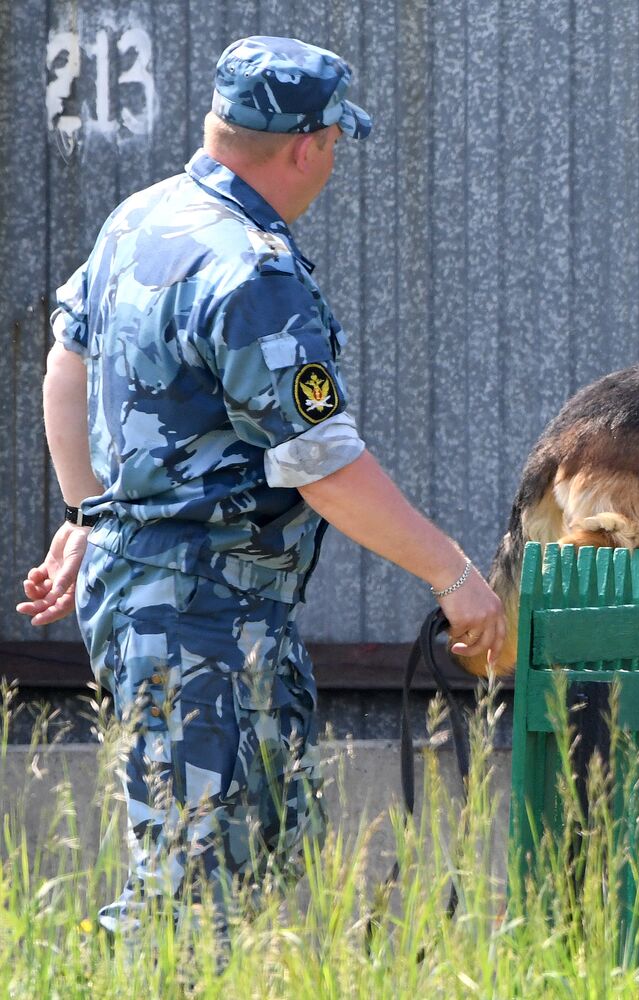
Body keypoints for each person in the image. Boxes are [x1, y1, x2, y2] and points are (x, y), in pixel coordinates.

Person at [15, 35, 505, 938]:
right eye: (334, 143)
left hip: (172, 603)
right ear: (307, 147)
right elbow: (324, 466)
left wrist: (91, 511)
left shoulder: (141, 218)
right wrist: (453, 575)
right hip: (203, 616)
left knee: (252, 865)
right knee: (190, 894)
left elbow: (66, 365)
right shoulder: (252, 269)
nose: (332, 161)